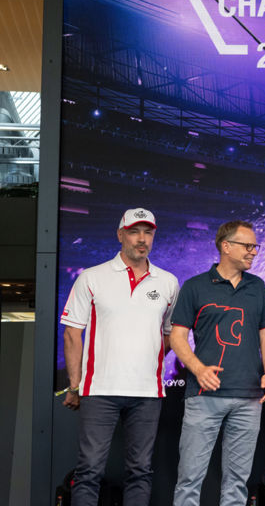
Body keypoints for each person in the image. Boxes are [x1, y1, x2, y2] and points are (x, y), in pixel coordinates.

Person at [60, 208, 180, 506]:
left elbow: (169, 335)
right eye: (134, 232)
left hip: (147, 394)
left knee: (140, 472)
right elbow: (72, 333)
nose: (142, 239)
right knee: (88, 471)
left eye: (148, 232)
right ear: (120, 234)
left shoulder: (168, 282)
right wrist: (76, 385)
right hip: (100, 390)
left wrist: (145, 360)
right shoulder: (92, 277)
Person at [170, 220, 265, 506]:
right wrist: (198, 369)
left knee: (237, 484)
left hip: (249, 398)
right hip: (204, 397)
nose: (254, 251)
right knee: (190, 479)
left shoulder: (258, 286)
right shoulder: (195, 287)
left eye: (255, 246)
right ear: (225, 246)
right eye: (248, 245)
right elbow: (177, 337)